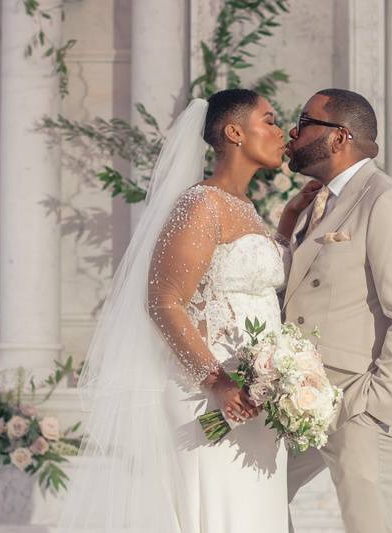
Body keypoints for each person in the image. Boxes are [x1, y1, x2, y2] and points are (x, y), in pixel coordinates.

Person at [57, 89, 290, 533]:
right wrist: (219, 383)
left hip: (255, 398)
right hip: (210, 396)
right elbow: (162, 300)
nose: (282, 132)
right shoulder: (199, 204)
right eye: (270, 119)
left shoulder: (247, 208)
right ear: (234, 131)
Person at [279, 88, 392, 533]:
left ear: (339, 136)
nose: (293, 131)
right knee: (255, 496)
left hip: (359, 401)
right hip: (297, 399)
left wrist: (377, 401)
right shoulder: (317, 202)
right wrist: (289, 225)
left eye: (304, 120)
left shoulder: (386, 200)